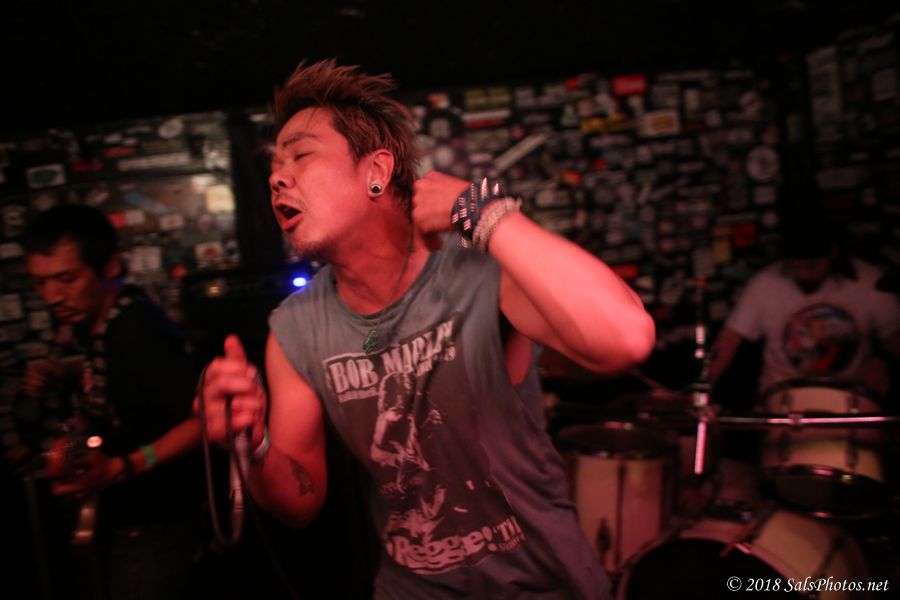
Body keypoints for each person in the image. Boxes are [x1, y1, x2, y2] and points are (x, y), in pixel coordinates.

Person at [198, 60, 655, 599]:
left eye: (300, 155)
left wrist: (483, 212)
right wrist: (253, 446)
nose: (277, 177)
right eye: (274, 165)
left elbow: (626, 340)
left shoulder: (478, 275)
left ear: (376, 169)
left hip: (544, 586)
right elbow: (300, 501)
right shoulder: (295, 328)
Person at [23, 204, 206, 600]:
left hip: (158, 521)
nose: (52, 296)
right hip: (129, 516)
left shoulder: (137, 330)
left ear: (109, 267)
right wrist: (66, 373)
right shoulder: (97, 319)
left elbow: (203, 421)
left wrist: (124, 466)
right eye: (40, 283)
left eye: (66, 279)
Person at [708, 214, 900, 401]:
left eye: (811, 267)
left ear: (832, 254)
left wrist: (882, 361)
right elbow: (729, 340)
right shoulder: (765, 283)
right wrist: (704, 388)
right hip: (782, 400)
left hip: (850, 400)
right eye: (794, 267)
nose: (803, 275)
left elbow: (894, 337)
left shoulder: (867, 280)